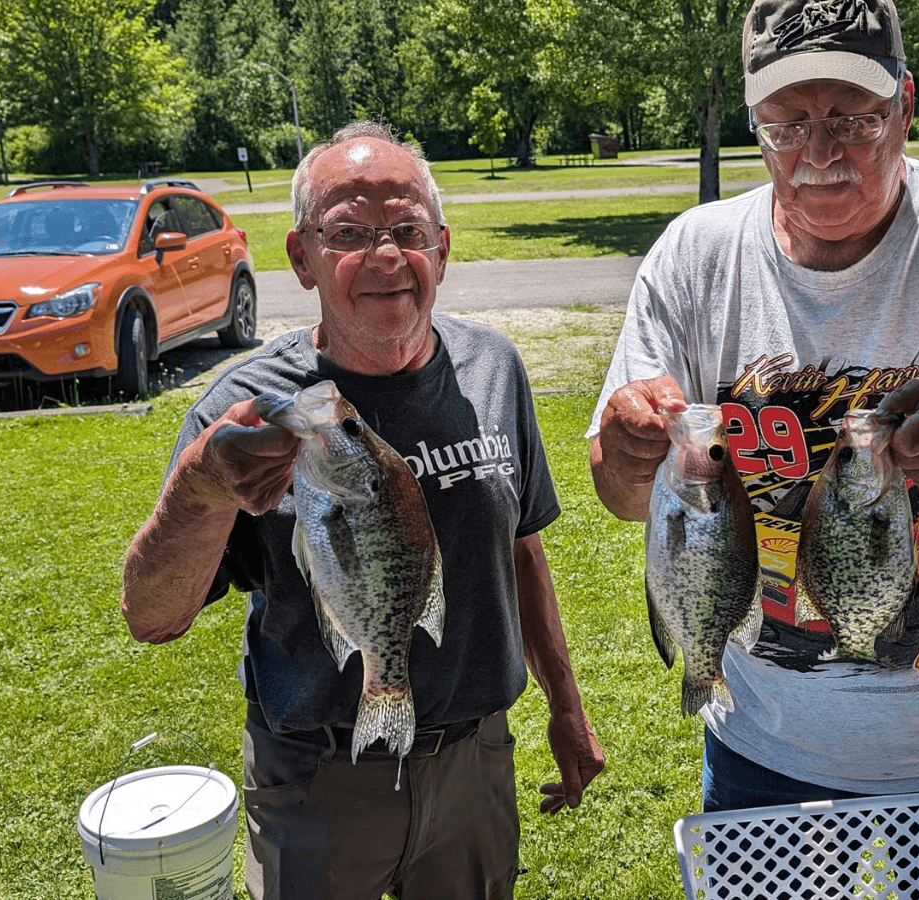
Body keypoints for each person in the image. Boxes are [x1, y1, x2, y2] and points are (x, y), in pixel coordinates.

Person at [588, 0, 919, 814]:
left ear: (905, 105)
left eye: (853, 118)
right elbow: (626, 499)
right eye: (785, 124)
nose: (819, 152)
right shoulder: (693, 257)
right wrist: (626, 453)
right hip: (761, 751)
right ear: (753, 122)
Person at [121, 121, 604, 900]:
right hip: (314, 776)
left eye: (405, 230)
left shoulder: (493, 368)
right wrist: (202, 487)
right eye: (347, 233)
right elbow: (152, 617)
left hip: (472, 763)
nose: (383, 256)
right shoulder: (245, 412)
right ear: (302, 258)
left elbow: (519, 552)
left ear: (441, 249)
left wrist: (567, 708)